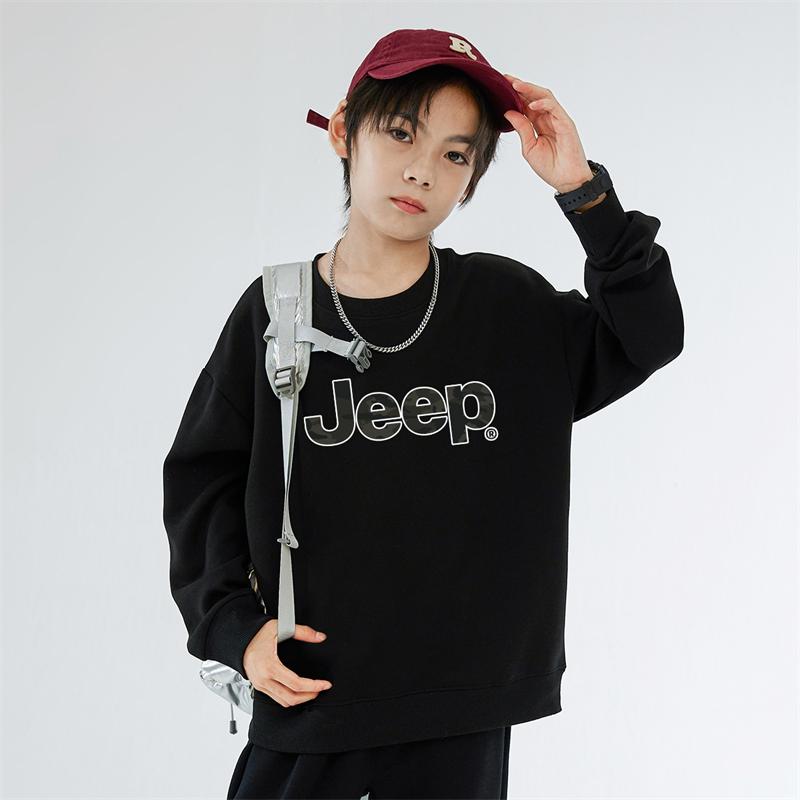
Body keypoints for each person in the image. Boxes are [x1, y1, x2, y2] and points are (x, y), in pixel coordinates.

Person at [162, 27, 684, 800]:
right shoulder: (276, 313)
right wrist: (234, 629)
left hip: (460, 714)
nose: (421, 169)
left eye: (455, 153)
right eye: (401, 133)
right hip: (311, 703)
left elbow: (647, 335)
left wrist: (583, 191)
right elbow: (202, 482)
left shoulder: (507, 308)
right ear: (345, 130)